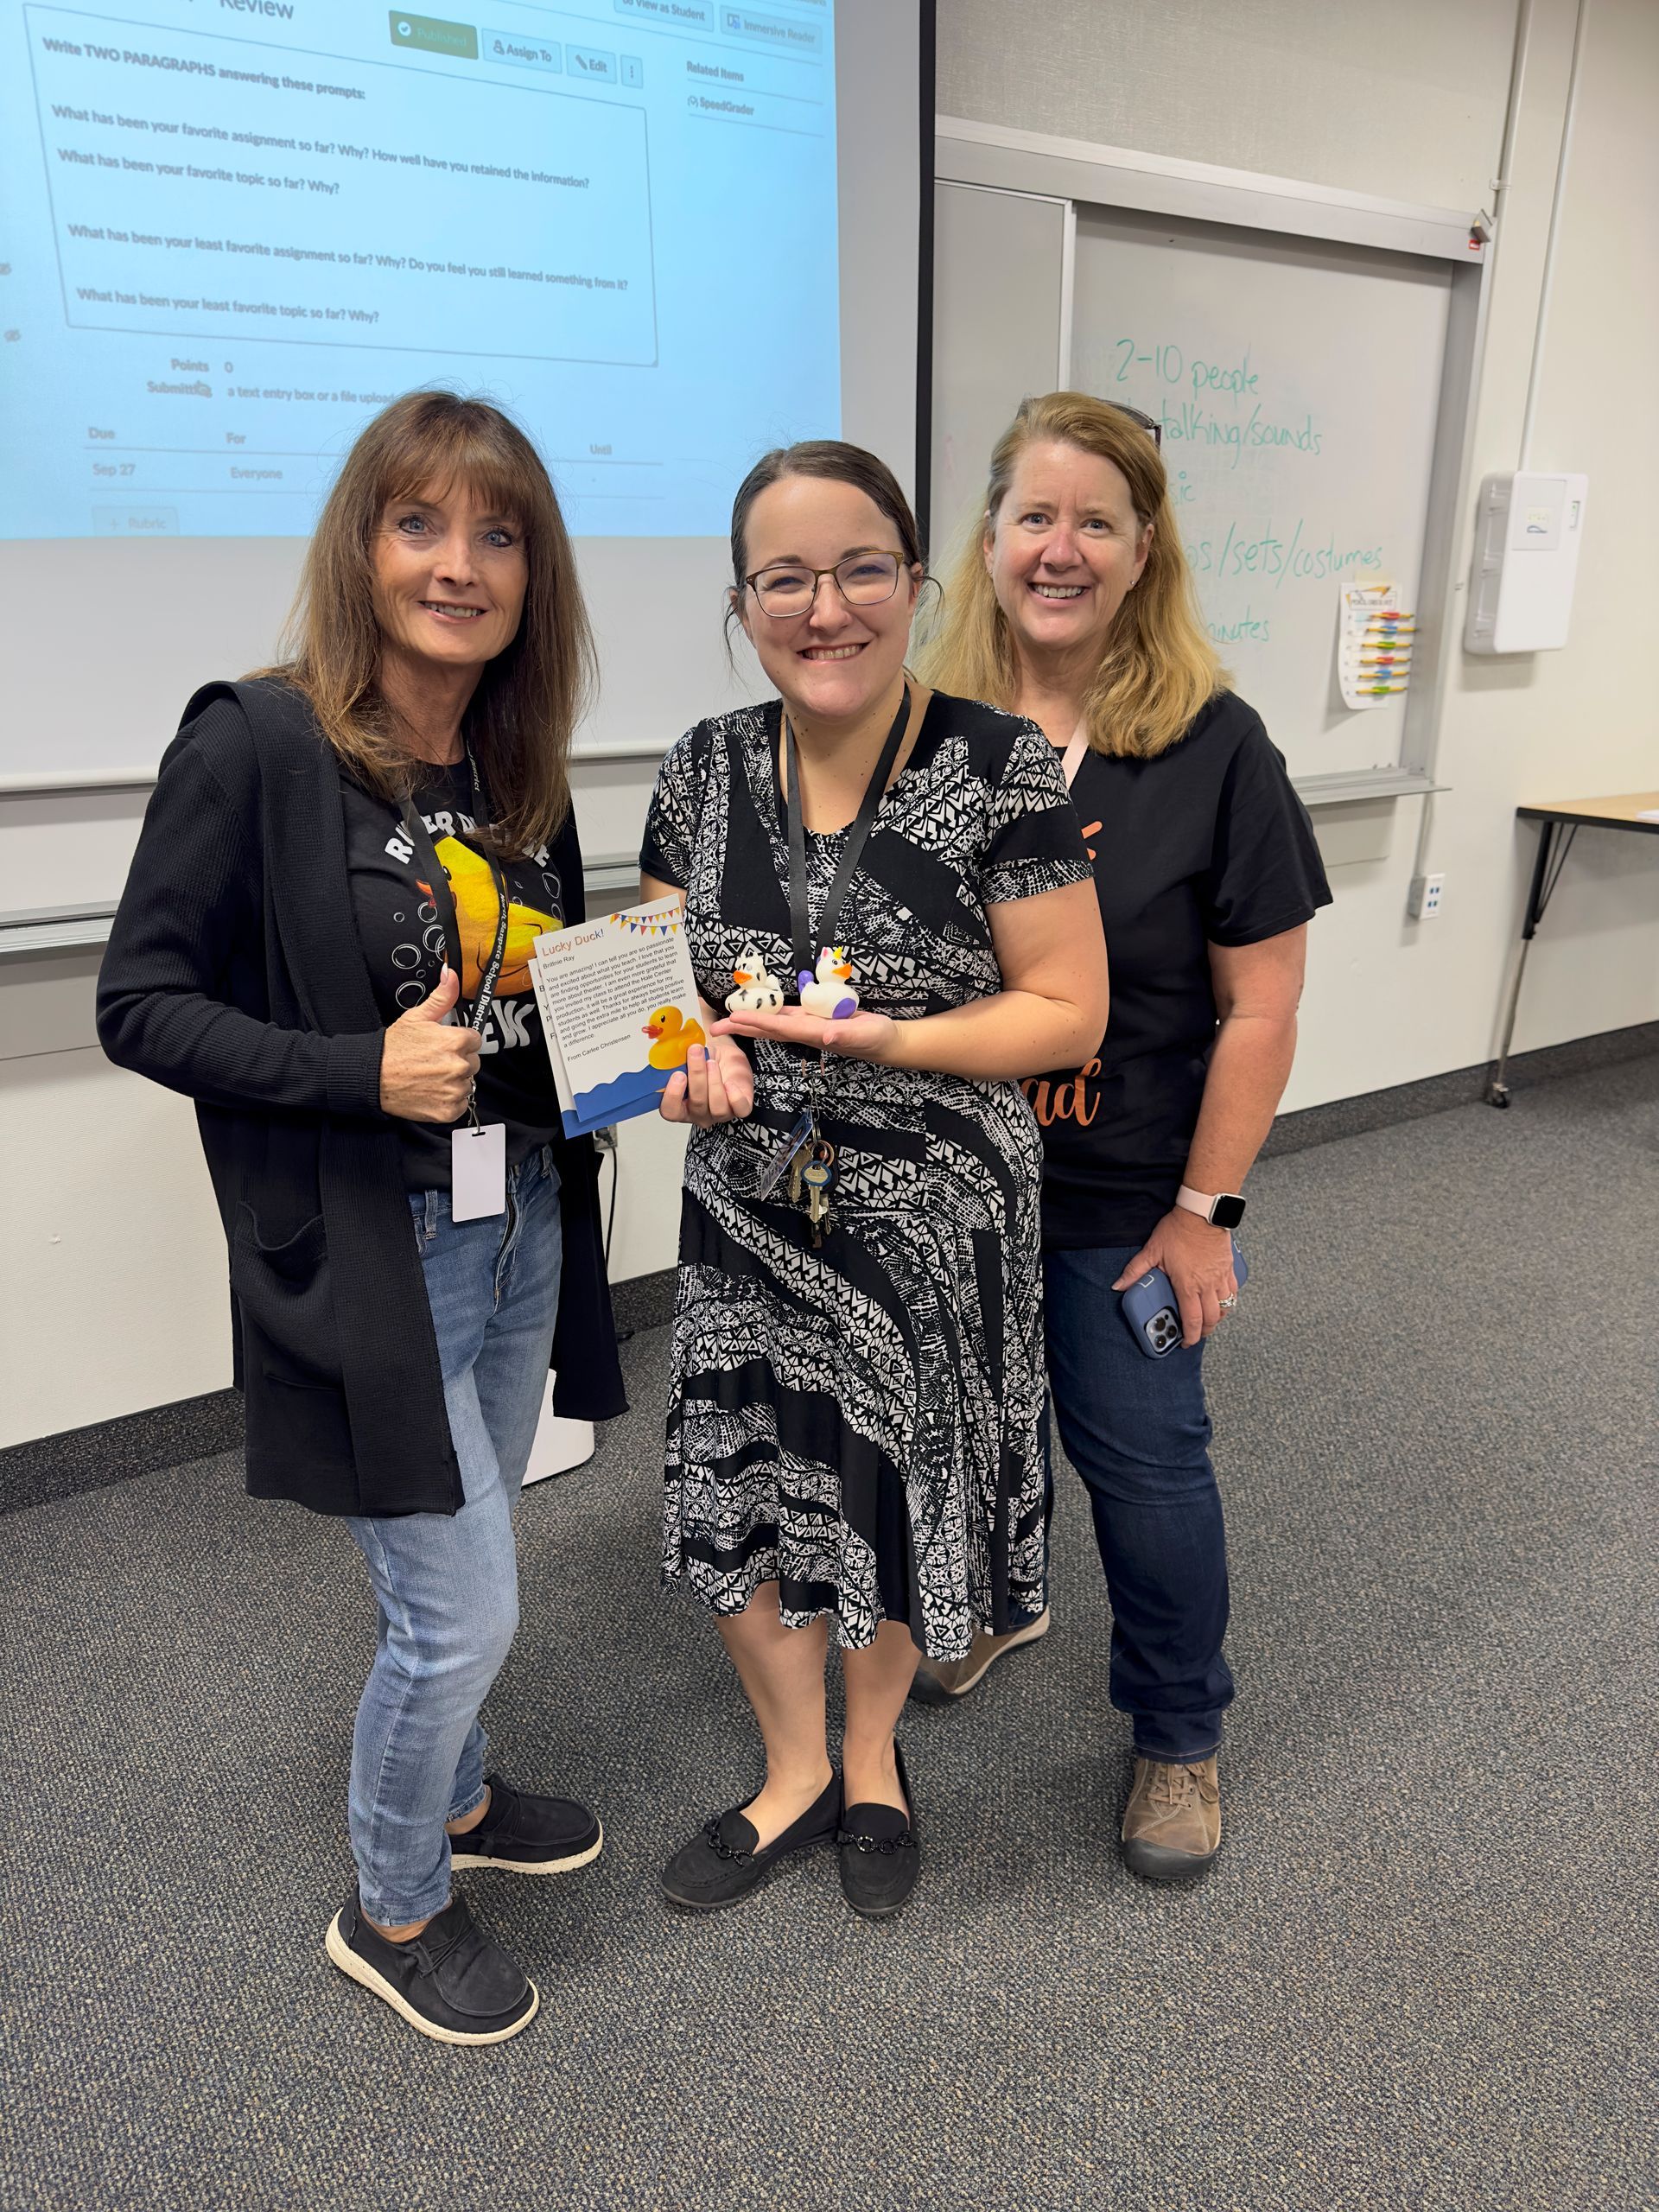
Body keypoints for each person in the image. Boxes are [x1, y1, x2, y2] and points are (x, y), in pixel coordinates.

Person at [98, 391, 626, 2044]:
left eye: (497, 533)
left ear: (533, 574)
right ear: (362, 544)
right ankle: (395, 1901)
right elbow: (139, 1003)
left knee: (471, 1550)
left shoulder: (517, 771)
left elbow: (543, 1022)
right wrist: (352, 1070)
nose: (458, 564)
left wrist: (654, 1030)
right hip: (376, 1247)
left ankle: (459, 1793)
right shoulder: (255, 744)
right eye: (421, 524)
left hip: (522, 1216)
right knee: (459, 1602)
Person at [638, 440, 1109, 1920]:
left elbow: (1067, 1012)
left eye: (859, 569)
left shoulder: (998, 765)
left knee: (895, 1496)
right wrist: (683, 1064)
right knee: (759, 1499)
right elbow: (661, 1003)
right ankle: (792, 1773)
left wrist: (894, 1037)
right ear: (742, 602)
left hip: (935, 1223)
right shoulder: (702, 767)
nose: (824, 606)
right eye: (785, 577)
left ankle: (875, 1759)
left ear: (915, 580)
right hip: (748, 1217)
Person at [914, 391, 1332, 1883]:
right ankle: (1006, 1603)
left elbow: (1263, 1009)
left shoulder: (1215, 748)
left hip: (1120, 1197)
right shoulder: (928, 734)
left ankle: (1177, 1736)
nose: (1062, 548)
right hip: (950, 1187)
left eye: (1098, 521)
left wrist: (1204, 1213)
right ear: (990, 538)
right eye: (1036, 515)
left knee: (1149, 1471)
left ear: (1146, 549)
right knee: (965, 1444)